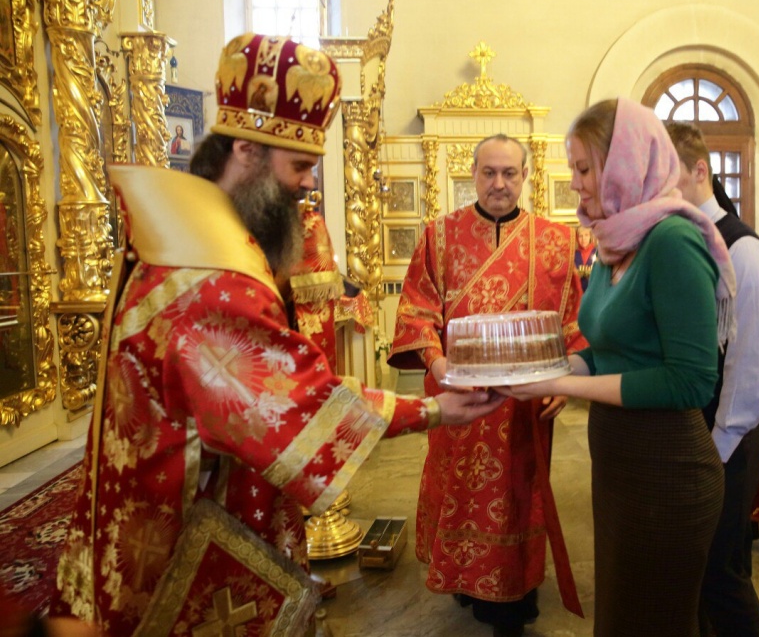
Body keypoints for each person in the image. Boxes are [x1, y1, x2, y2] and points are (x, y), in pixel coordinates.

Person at [49, 34, 502, 636]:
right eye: (300, 167)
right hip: (185, 536)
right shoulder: (210, 275)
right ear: (246, 150)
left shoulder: (176, 230)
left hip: (146, 508)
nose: (308, 185)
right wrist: (434, 410)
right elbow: (297, 402)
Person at [500, 98, 735, 637]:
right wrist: (549, 368)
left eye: (585, 168)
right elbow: (608, 349)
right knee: (624, 617)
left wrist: (560, 383)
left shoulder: (671, 241)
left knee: (654, 621)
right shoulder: (617, 238)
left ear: (625, 163)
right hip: (622, 464)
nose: (576, 183)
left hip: (667, 469)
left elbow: (691, 380)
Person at [388, 134, 585, 637]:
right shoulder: (440, 236)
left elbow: (572, 323)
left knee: (519, 495)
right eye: (489, 173)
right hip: (459, 401)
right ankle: (464, 578)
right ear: (472, 174)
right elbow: (416, 313)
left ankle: (514, 594)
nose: (499, 183)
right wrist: (437, 368)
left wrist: (566, 381)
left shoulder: (557, 242)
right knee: (458, 487)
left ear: (525, 176)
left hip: (524, 406)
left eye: (510, 173)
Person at [666, 122, 759, 637]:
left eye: (665, 177)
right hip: (698, 428)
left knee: (721, 572)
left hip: (730, 432)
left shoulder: (745, 253)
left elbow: (752, 376)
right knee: (692, 567)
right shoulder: (681, 242)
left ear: (700, 172)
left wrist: (711, 453)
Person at [574, 225, 598, 290]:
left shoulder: (598, 252)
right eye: (580, 236)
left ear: (590, 237)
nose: (583, 239)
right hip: (578, 290)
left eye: (586, 235)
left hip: (594, 288)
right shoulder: (573, 254)